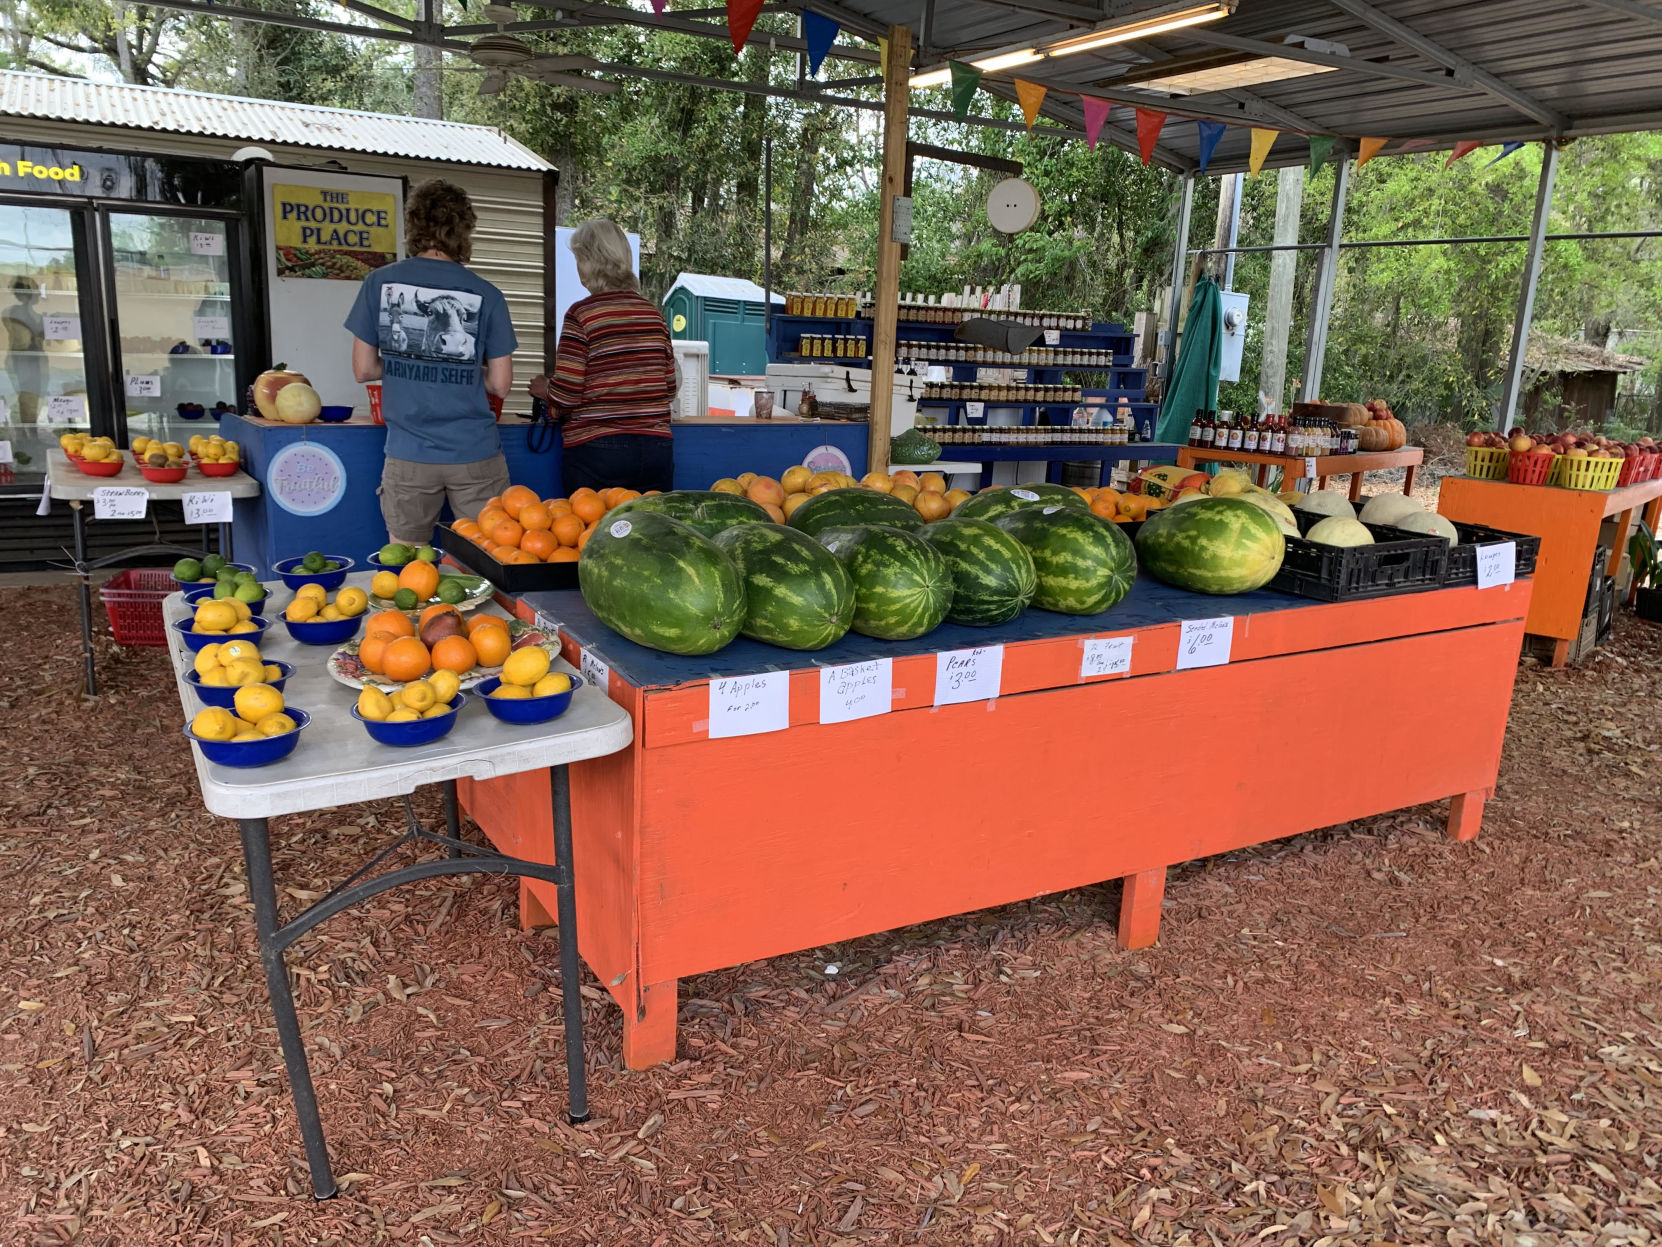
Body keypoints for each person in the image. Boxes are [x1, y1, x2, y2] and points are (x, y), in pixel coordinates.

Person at [346, 179, 517, 545]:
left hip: (409, 453)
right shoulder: (488, 294)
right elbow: (501, 384)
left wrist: (401, 363)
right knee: (486, 561)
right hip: (475, 453)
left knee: (408, 566)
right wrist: (467, 369)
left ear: (414, 225)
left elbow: (364, 369)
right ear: (464, 228)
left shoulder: (379, 283)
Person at [531, 219, 675, 495]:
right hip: (656, 449)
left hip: (597, 452)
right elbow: (669, 387)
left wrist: (544, 389)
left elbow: (568, 395)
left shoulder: (581, 315)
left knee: (594, 534)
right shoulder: (653, 314)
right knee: (652, 533)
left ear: (588, 263)